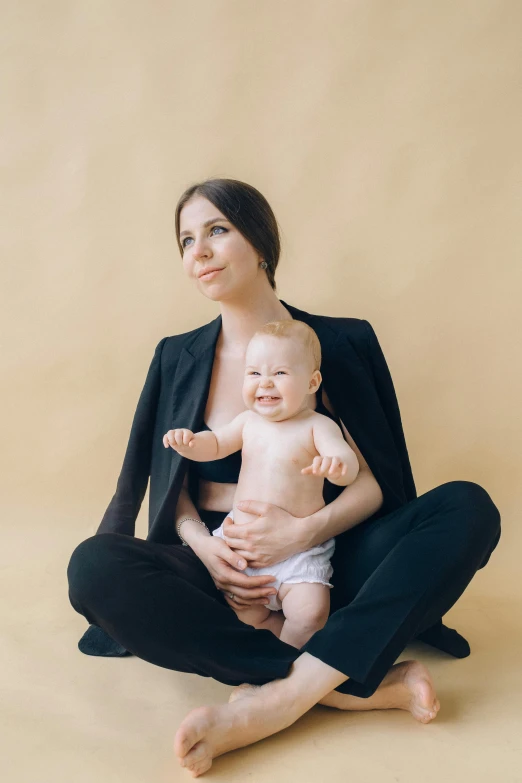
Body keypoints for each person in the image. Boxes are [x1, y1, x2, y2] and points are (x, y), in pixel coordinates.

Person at [67, 178, 501, 779]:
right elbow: (172, 486)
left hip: (324, 557)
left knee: (468, 507)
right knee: (93, 566)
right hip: (221, 561)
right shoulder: (177, 355)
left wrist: (303, 533)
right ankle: (342, 684)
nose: (199, 251)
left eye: (217, 229)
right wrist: (205, 548)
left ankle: (276, 700)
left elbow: (377, 484)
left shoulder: (343, 341)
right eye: (186, 239)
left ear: (262, 242)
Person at [163, 319, 360, 648]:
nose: (265, 383)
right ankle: (270, 648)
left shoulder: (317, 426)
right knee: (245, 614)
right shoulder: (247, 422)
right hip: (241, 548)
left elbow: (347, 463)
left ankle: (290, 665)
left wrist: (337, 466)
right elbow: (215, 445)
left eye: (280, 373)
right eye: (254, 373)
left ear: (312, 382)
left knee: (311, 612)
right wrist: (190, 443)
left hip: (298, 551)